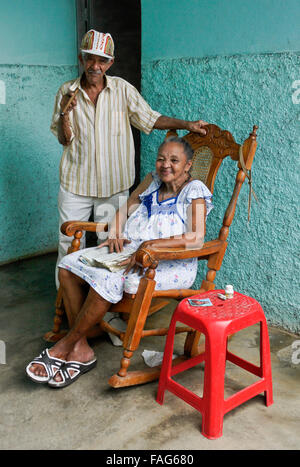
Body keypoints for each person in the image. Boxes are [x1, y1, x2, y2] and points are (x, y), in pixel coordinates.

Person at [26, 137, 213, 388]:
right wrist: (115, 231)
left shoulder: (194, 190)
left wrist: (150, 247)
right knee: (69, 264)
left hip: (168, 263)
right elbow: (124, 210)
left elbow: (195, 238)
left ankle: (67, 344)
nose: (165, 165)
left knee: (108, 277)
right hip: (132, 251)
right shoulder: (151, 182)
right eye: (161, 158)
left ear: (188, 165)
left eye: (174, 160)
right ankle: (81, 345)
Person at [50, 29, 209, 288]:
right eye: (90, 58)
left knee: (111, 245)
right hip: (76, 185)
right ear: (82, 59)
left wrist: (186, 124)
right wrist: (65, 114)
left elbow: (150, 118)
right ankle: (68, 307)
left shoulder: (123, 90)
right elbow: (64, 139)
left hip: (113, 187)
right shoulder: (66, 91)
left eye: (102, 60)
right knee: (67, 244)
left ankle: (104, 307)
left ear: (110, 63)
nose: (95, 65)